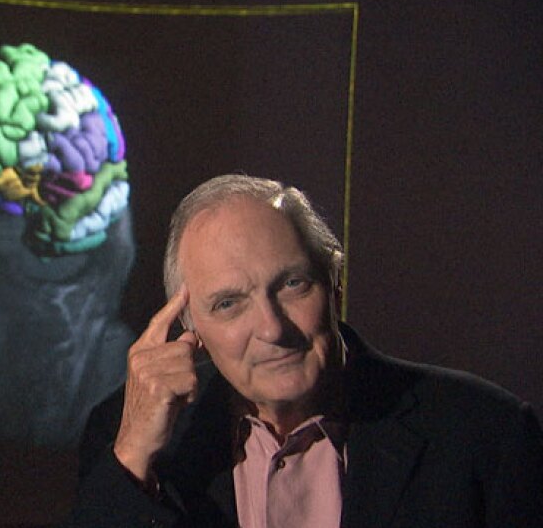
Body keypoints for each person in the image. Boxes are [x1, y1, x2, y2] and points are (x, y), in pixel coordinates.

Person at [65, 174, 543, 527]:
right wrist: (132, 456)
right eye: (229, 304)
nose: (272, 329)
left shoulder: (485, 435)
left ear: (334, 280)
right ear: (189, 327)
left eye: (293, 284)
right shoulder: (125, 436)